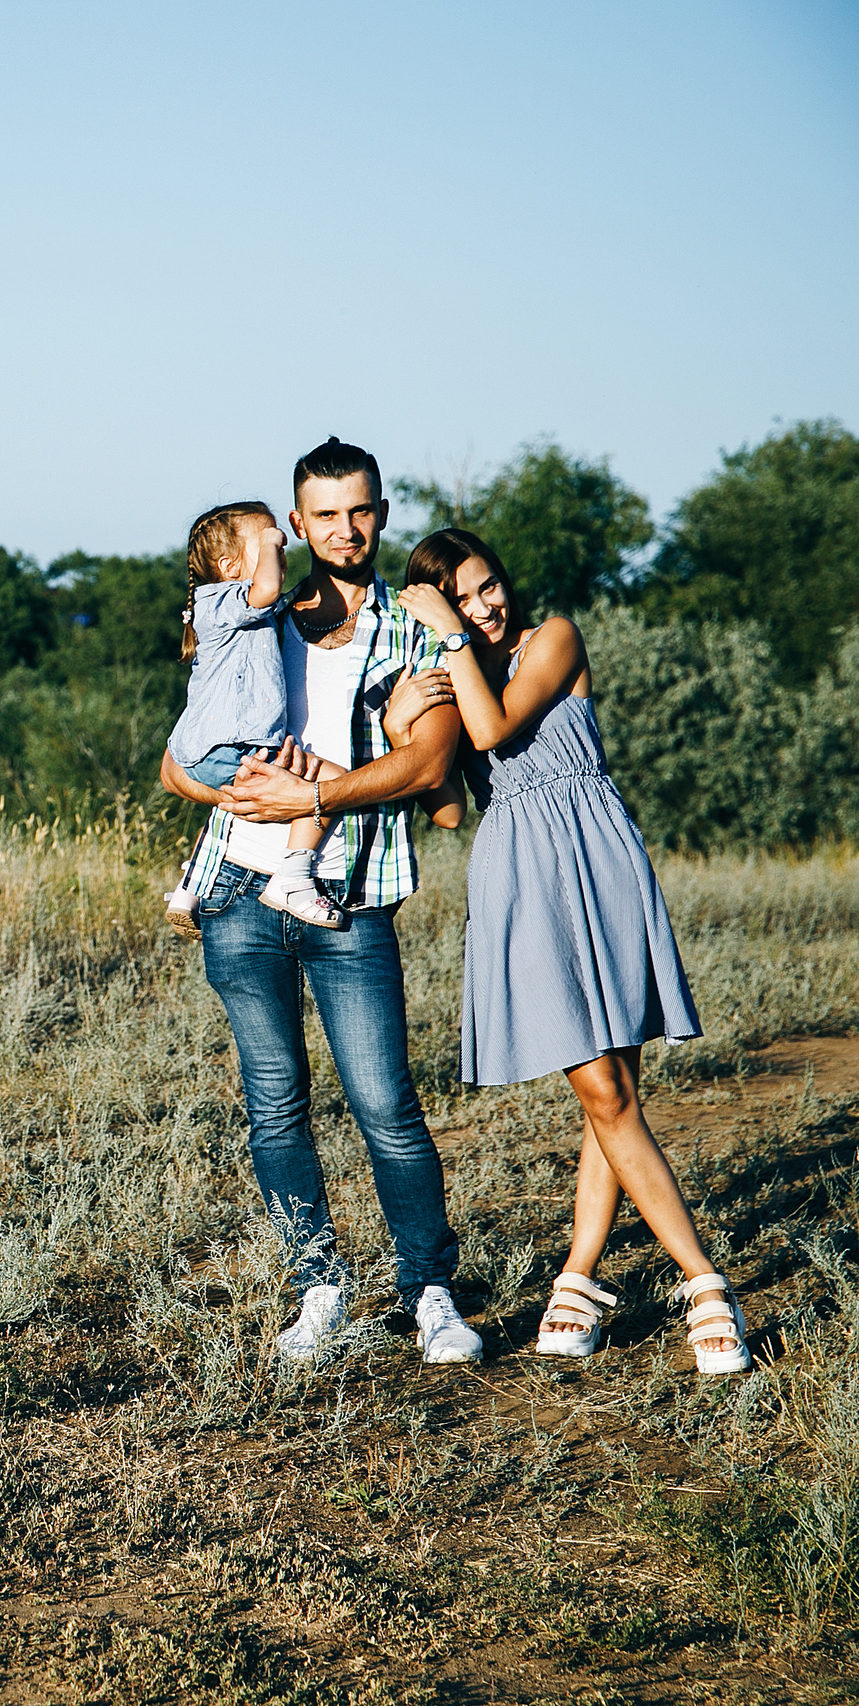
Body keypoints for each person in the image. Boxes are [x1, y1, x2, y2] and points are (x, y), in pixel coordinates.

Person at [394, 529, 751, 1376]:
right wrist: (399, 716)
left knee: (611, 1088)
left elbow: (496, 728)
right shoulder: (456, 673)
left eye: (487, 588)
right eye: (466, 597)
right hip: (519, 873)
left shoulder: (549, 638)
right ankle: (593, 1280)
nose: (488, 606)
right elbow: (446, 805)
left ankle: (692, 1285)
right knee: (602, 1088)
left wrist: (451, 636)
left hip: (594, 854)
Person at [159, 436, 480, 1365]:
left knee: (387, 1106)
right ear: (294, 527)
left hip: (350, 896)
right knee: (275, 1107)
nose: (346, 529)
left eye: (362, 511)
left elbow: (429, 766)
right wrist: (232, 791)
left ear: (381, 514)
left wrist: (315, 796)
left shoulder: (418, 632)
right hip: (240, 897)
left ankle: (429, 1293)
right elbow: (177, 764)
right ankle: (320, 1292)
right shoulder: (254, 623)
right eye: (325, 515)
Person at [163, 501, 348, 930]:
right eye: (267, 543)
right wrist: (272, 539)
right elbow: (265, 587)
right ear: (228, 566)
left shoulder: (244, 610)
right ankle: (294, 877)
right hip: (231, 742)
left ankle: (191, 885)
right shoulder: (222, 599)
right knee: (330, 783)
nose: (279, 550)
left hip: (213, 746)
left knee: (236, 800)